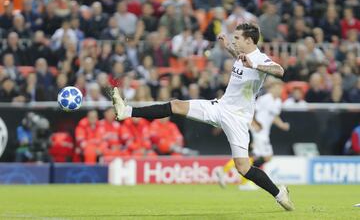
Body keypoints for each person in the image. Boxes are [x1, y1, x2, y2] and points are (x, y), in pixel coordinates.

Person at [110, 23, 294, 211]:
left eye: (237, 38)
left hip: (238, 119)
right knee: (176, 105)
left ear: (249, 40)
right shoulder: (241, 55)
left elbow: (280, 71)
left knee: (243, 168)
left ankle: (280, 194)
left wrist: (253, 64)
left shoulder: (259, 59)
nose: (234, 40)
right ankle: (128, 111)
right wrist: (228, 46)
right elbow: (240, 60)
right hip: (219, 107)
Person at [218, 79, 291, 190]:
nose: (280, 90)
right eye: (278, 87)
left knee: (265, 157)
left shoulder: (278, 102)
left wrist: (282, 125)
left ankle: (224, 171)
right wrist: (254, 124)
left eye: (281, 87)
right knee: (253, 155)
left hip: (264, 133)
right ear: (272, 87)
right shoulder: (265, 99)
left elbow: (274, 116)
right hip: (256, 131)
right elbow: (251, 111)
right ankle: (245, 182)